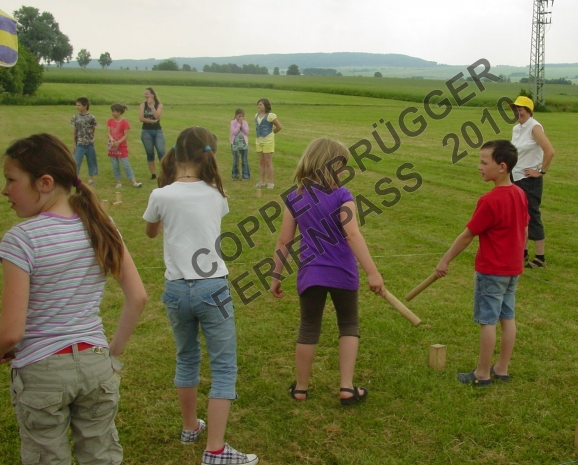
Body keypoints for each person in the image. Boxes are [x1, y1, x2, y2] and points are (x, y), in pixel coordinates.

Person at [0, 133, 147, 464]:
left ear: (45, 183)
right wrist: (111, 356)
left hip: (41, 374)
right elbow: (137, 297)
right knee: (101, 455)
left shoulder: (20, 240)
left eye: (11, 180)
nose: (5, 190)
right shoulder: (100, 224)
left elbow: (10, 332)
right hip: (97, 365)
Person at [143, 127, 258, 465]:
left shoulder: (160, 195)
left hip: (176, 290)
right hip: (213, 287)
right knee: (223, 367)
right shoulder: (216, 194)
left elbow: (151, 232)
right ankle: (215, 450)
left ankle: (190, 427)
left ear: (175, 154)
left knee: (187, 357)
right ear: (208, 155)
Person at [269, 137, 386, 405]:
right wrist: (372, 272)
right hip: (343, 272)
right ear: (328, 166)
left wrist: (276, 275)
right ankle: (346, 387)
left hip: (310, 274)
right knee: (349, 325)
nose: (344, 173)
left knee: (309, 328)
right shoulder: (343, 196)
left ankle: (300, 389)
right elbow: (353, 235)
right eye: (341, 167)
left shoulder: (294, 197)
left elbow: (284, 240)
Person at [435, 140, 528, 387]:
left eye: (484, 162)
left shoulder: (490, 200)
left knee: (488, 321)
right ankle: (502, 368)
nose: (479, 167)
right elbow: (525, 229)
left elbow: (467, 235)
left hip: (492, 271)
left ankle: (483, 373)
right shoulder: (520, 194)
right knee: (507, 317)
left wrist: (445, 259)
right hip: (512, 270)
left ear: (502, 167)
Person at [510, 96, 555, 268]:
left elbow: (550, 151)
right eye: (515, 109)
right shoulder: (517, 129)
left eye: (520, 109)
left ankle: (540, 258)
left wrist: (540, 172)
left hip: (529, 180)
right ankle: (523, 253)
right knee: (520, 217)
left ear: (528, 111)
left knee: (532, 215)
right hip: (516, 177)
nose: (517, 112)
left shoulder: (534, 127)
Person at [107, 103, 143, 189]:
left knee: (126, 164)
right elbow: (108, 132)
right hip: (112, 146)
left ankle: (134, 182)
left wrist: (118, 142)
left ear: (119, 112)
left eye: (114, 111)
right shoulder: (110, 121)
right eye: (112, 111)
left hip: (121, 146)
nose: (112, 113)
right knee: (115, 165)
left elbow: (126, 135)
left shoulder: (124, 122)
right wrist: (112, 139)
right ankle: (118, 182)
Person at [253, 98, 282, 189]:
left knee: (268, 162)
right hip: (259, 140)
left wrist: (272, 133)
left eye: (261, 104)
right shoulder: (256, 115)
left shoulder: (270, 116)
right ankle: (261, 181)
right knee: (261, 162)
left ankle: (270, 182)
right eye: (258, 104)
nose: (259, 106)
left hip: (268, 141)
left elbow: (279, 127)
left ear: (265, 106)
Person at [139, 87, 166, 180]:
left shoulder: (159, 105)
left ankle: (164, 173)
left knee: (161, 152)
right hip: (146, 131)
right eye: (145, 94)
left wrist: (151, 107)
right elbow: (141, 119)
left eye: (147, 94)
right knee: (150, 153)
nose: (145, 95)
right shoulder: (142, 105)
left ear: (152, 95)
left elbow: (157, 115)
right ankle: (153, 174)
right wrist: (153, 121)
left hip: (158, 131)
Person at [71, 96, 98, 185]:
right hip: (79, 143)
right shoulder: (75, 117)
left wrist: (91, 137)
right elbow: (74, 131)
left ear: (85, 106)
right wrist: (74, 144)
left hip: (90, 144)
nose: (77, 107)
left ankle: (91, 179)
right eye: (77, 105)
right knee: (76, 162)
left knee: (91, 161)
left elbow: (93, 128)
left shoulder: (91, 117)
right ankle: (75, 178)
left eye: (79, 105)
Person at [230, 108, 250, 181]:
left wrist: (242, 125)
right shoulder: (233, 122)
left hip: (244, 144)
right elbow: (234, 132)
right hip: (235, 144)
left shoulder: (245, 123)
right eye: (239, 116)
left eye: (242, 116)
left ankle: (245, 175)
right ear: (235, 116)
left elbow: (246, 132)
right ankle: (235, 175)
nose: (240, 118)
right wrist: (238, 125)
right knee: (236, 160)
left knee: (244, 160)